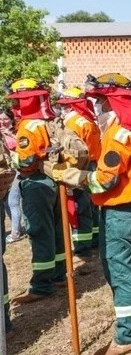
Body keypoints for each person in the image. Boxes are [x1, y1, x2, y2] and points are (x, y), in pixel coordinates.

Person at [48, 73, 131, 355]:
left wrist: (71, 175)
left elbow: (104, 181)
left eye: (99, 101)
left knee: (122, 272)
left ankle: (128, 336)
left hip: (121, 211)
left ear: (110, 102)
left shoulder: (118, 134)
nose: (96, 107)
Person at [7, 78, 66, 304]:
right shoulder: (47, 121)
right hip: (53, 180)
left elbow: (27, 161)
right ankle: (58, 275)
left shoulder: (28, 127)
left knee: (39, 232)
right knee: (56, 230)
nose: (15, 105)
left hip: (35, 183)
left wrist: (12, 160)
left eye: (17, 101)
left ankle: (41, 285)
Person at [55, 86, 102, 264]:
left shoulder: (73, 124)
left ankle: (83, 248)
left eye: (63, 106)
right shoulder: (88, 120)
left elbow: (73, 150)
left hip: (81, 166)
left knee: (81, 208)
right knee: (92, 206)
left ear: (70, 106)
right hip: (93, 164)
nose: (61, 109)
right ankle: (95, 240)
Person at [0, 109, 25, 244]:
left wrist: (9, 135)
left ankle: (15, 233)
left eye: (5, 119)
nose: (2, 122)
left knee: (13, 201)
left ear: (11, 119)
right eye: (0, 119)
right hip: (5, 172)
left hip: (16, 170)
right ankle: (17, 227)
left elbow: (23, 146)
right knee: (6, 202)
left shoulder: (18, 131)